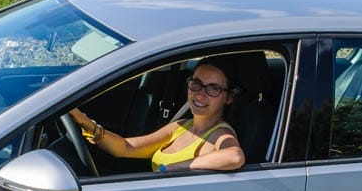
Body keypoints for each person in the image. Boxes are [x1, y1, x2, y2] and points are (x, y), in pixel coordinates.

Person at [70, 58, 245, 172]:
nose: (200, 94)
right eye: (196, 83)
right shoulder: (182, 126)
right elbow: (126, 147)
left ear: (228, 97)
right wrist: (86, 124)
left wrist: (174, 168)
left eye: (213, 88)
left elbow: (234, 156)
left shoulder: (220, 135)